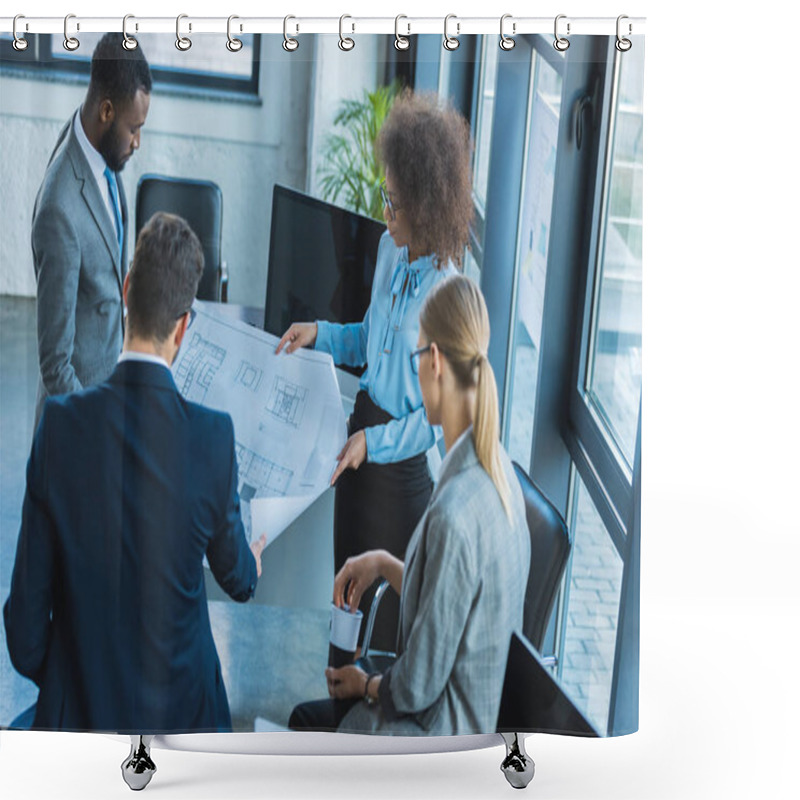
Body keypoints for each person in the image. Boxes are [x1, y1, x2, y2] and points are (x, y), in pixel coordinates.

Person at [4, 212, 267, 733]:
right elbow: (238, 578)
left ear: (126, 290)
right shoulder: (213, 440)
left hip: (79, 718)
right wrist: (253, 560)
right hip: (182, 720)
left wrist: (75, 682)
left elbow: (24, 636)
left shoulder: (59, 427)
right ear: (184, 325)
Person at [276, 91, 474, 651]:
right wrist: (320, 332)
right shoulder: (391, 252)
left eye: (395, 204)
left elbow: (434, 424)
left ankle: (371, 710)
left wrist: (373, 443)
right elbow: (368, 338)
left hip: (397, 469)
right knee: (344, 591)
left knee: (384, 624)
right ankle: (340, 692)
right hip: (358, 443)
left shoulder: (449, 292)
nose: (386, 218)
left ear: (427, 207)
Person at [289, 275, 531, 735]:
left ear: (435, 361)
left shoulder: (453, 514)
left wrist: (366, 684)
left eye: (416, 354)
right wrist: (383, 562)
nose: (415, 368)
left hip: (437, 732)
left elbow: (416, 686)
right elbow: (451, 604)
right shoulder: (496, 470)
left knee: (312, 724)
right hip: (473, 715)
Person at [31, 32, 151, 429]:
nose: (138, 142)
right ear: (105, 111)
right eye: (134, 128)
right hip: (77, 431)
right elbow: (55, 365)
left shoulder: (98, 152)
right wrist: (101, 429)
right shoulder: (59, 210)